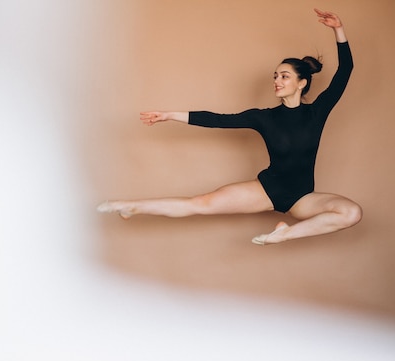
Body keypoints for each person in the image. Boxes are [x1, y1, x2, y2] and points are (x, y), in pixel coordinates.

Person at [97, 8, 362, 245]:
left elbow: (345, 70)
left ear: (302, 82)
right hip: (266, 191)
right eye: (275, 76)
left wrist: (338, 29)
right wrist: (169, 114)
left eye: (284, 76)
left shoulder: (317, 111)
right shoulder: (264, 117)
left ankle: (285, 233)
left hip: (303, 198)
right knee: (198, 204)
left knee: (351, 213)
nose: (277, 81)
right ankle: (129, 206)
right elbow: (217, 119)